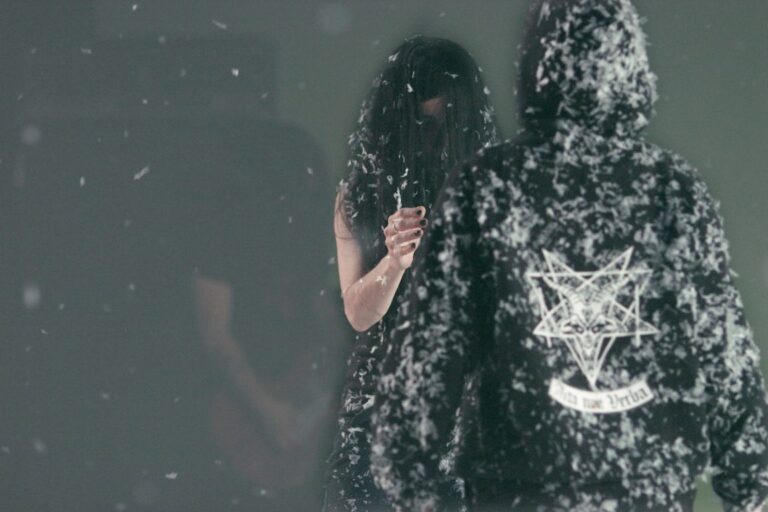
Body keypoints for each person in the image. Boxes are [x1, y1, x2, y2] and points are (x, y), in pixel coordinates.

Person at [371, 1, 768, 511]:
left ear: (537, 65)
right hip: (645, 486)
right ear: (632, 65)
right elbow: (724, 351)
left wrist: (410, 478)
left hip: (514, 486)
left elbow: (428, 355)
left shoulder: (486, 185)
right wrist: (747, 486)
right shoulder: (673, 189)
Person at [324, 36, 500, 511]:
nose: (435, 140)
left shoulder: (494, 194)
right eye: (423, 123)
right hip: (382, 414)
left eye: (445, 124)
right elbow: (359, 315)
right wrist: (394, 261)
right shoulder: (358, 196)